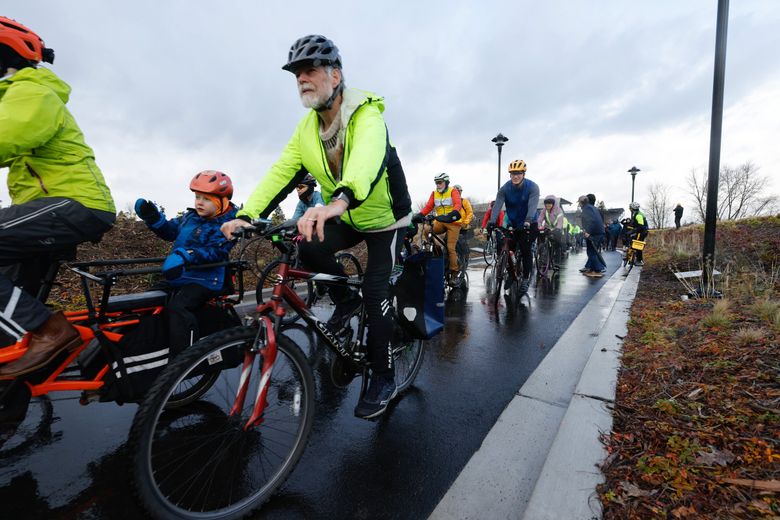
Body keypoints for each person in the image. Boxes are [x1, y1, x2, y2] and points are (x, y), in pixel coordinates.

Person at [220, 35, 412, 419]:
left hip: (385, 219)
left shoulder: (367, 116)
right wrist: (247, 213)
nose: (302, 80)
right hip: (346, 213)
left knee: (377, 294)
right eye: (297, 75)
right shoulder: (307, 129)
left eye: (310, 71)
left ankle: (383, 376)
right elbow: (282, 172)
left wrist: (338, 200)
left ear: (335, 76)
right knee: (307, 247)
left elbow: (366, 163)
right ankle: (346, 300)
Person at [0, 18, 116, 379]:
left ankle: (51, 330)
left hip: (77, 204)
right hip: (49, 209)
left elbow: (6, 138)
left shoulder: (31, 91)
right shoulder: (15, 96)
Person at [135, 171, 237, 355]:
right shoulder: (190, 218)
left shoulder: (228, 224)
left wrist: (187, 255)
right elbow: (169, 231)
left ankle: (185, 358)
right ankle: (149, 349)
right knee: (147, 301)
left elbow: (217, 251)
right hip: (180, 275)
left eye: (206, 199)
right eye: (197, 197)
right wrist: (153, 218)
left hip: (206, 279)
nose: (199, 202)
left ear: (223, 202)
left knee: (179, 307)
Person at [487, 159, 540, 294]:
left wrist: (527, 221)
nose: (515, 176)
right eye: (512, 174)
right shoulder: (505, 189)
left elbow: (533, 206)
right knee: (504, 246)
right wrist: (492, 221)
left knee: (525, 248)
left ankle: (526, 278)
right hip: (513, 223)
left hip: (529, 223)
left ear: (523, 174)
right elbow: (498, 205)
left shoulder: (532, 187)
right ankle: (511, 274)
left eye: (518, 173)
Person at [412, 173, 462, 285]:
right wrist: (420, 214)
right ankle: (436, 251)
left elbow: (457, 204)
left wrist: (454, 211)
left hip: (453, 222)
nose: (438, 185)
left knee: (450, 248)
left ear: (446, 182)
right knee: (426, 229)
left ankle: (455, 273)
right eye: (436, 183)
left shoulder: (453, 191)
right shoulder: (434, 193)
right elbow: (429, 206)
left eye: (440, 182)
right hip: (440, 221)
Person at [578, 195, 606, 277]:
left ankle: (597, 270)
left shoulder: (586, 209)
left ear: (582, 202)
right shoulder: (591, 208)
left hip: (594, 233)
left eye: (579, 203)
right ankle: (593, 268)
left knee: (591, 252)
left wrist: (588, 232)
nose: (579, 205)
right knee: (593, 251)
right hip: (598, 232)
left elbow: (591, 220)